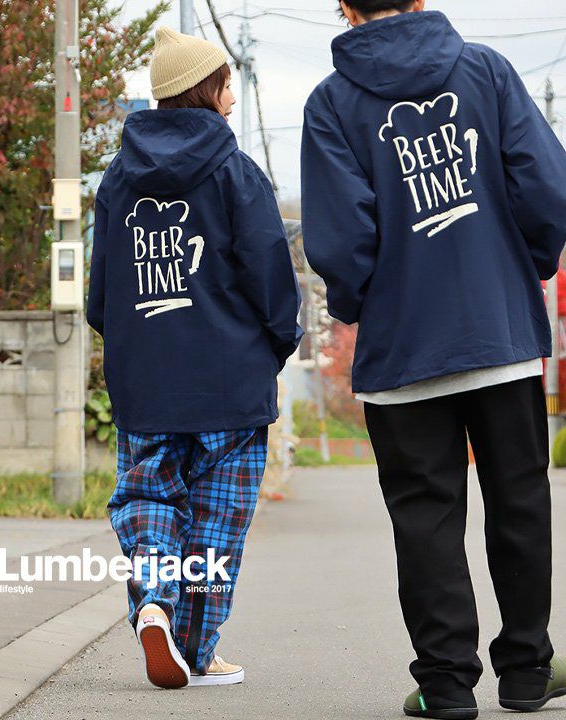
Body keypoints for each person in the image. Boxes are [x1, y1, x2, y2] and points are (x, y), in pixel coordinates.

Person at [301, 1, 566, 718]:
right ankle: (526, 671)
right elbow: (546, 187)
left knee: (425, 516)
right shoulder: (487, 72)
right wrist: (523, 267)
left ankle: (446, 685)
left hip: (402, 348)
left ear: (345, 9)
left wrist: (364, 303)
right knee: (519, 500)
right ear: (418, 0)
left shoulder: (331, 103)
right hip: (499, 331)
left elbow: (340, 238)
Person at [87, 26, 303, 690]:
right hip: (230, 382)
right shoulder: (237, 172)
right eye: (227, 83)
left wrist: (134, 346)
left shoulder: (117, 179)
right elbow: (271, 279)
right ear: (206, 89)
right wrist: (276, 345)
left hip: (146, 381)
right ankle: (197, 650)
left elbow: (101, 297)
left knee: (149, 496)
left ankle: (154, 603)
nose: (232, 96)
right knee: (216, 518)